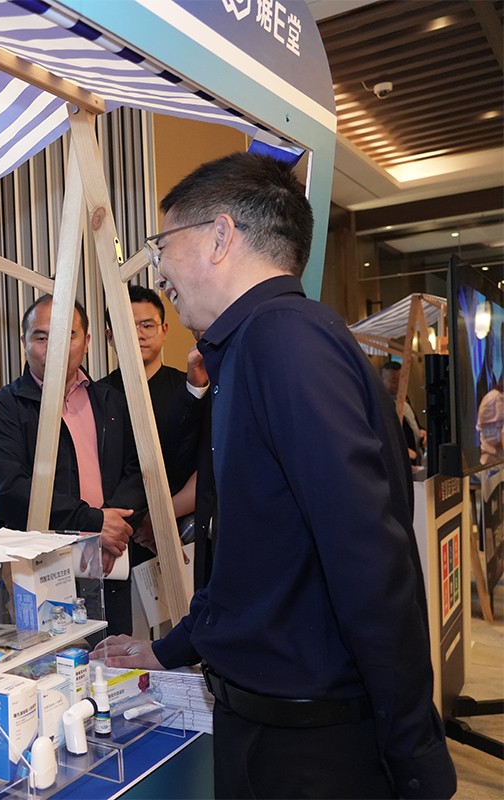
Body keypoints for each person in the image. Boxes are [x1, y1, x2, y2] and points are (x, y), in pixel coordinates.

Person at [101, 153, 455, 798]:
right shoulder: (254, 346)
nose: (159, 269)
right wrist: (169, 650)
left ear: (220, 236)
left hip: (308, 749)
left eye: (161, 244)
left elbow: (368, 557)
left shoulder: (285, 343)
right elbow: (254, 560)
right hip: (273, 726)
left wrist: (415, 753)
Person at [0, 294, 147, 634]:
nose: (53, 348)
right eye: (41, 337)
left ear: (87, 341)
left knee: (111, 658)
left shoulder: (111, 401)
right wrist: (94, 524)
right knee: (44, 662)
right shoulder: (4, 409)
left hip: (109, 563)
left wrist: (114, 530)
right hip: (36, 572)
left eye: (68, 335)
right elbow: (8, 491)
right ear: (24, 342)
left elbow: (139, 471)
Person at [103, 285, 208, 583]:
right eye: (127, 326)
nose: (138, 334)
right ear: (110, 336)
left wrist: (160, 517)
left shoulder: (193, 386)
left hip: (182, 531)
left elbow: (208, 464)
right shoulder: (97, 396)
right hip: (114, 539)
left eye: (147, 325)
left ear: (164, 330)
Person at [381, 359, 424, 466]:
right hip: (399, 461)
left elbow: (412, 423)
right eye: (394, 381)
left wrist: (422, 431)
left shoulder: (405, 399)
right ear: (382, 380)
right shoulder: (382, 405)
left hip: (416, 459)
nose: (399, 384)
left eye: (401, 380)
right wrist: (400, 450)